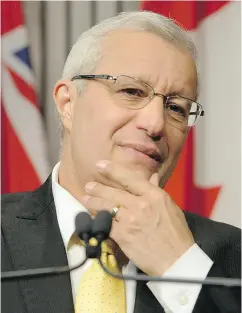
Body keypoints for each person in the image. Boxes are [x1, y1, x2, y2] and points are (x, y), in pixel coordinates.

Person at [2, 10, 241, 313]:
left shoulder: (234, 257)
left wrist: (180, 271)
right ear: (68, 104)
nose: (155, 123)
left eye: (177, 109)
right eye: (131, 91)